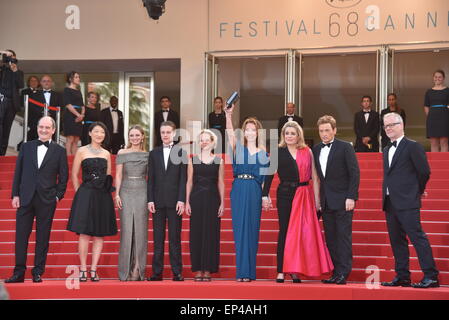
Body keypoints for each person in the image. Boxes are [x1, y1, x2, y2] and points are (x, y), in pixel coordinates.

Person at [262, 121, 333, 283]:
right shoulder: (277, 151)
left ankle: (294, 270)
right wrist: (264, 195)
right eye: (287, 133)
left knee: (300, 234)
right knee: (285, 231)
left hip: (304, 194)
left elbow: (315, 177)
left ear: (298, 135)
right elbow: (269, 174)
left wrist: (316, 201)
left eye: (293, 133)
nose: (289, 136)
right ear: (283, 135)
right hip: (285, 194)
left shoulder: (307, 151)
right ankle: (281, 270)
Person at [5, 116, 68, 283]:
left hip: (46, 200)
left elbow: (64, 177)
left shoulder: (59, 151)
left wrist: (57, 196)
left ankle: (38, 272)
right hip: (25, 197)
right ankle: (18, 273)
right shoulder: (26, 147)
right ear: (37, 128)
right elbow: (18, 172)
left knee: (43, 237)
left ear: (53, 130)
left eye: (48, 127)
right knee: (21, 237)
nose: (44, 130)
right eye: (41, 127)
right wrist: (15, 194)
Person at [380, 112, 439, 289]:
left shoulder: (413, 146)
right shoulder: (386, 149)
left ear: (401, 125)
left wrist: (417, 191)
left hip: (407, 200)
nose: (388, 128)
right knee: (397, 241)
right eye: (386, 126)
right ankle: (402, 276)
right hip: (390, 201)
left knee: (417, 237)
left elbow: (424, 172)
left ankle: (431, 276)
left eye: (392, 124)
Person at [67, 122, 117, 282]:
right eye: (96, 131)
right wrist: (79, 193)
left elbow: (108, 176)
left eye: (102, 132)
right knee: (84, 233)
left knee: (99, 234)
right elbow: (74, 174)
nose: (99, 134)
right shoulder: (81, 151)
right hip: (86, 194)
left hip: (102, 195)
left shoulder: (106, 153)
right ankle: (83, 268)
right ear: (90, 133)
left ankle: (94, 269)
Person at [313, 115, 360, 285]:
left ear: (334, 130)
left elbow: (354, 173)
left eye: (327, 130)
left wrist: (351, 197)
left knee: (343, 238)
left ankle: (344, 273)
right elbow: (318, 177)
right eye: (321, 131)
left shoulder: (345, 147)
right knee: (331, 239)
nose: (324, 134)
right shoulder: (316, 149)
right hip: (326, 201)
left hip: (343, 201)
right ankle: (335, 272)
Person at [226, 105, 269, 282]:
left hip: (255, 189)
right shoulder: (238, 148)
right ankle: (242, 272)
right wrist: (229, 115)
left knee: (252, 229)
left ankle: (250, 272)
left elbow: (265, 178)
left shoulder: (264, 153)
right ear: (243, 132)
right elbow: (229, 134)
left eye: (253, 129)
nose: (250, 132)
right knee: (239, 230)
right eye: (247, 129)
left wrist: (266, 196)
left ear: (258, 132)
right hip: (239, 188)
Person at [147, 120, 187, 281]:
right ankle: (157, 273)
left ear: (174, 133)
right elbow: (151, 179)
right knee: (157, 239)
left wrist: (181, 199)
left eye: (168, 132)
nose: (165, 135)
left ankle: (177, 272)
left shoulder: (181, 152)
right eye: (163, 132)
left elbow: (183, 178)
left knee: (174, 239)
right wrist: (150, 200)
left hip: (174, 202)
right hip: (157, 202)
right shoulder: (153, 153)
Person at [185, 129, 225, 281]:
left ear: (213, 141)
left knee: (211, 234)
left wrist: (222, 203)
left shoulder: (219, 161)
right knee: (196, 233)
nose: (204, 142)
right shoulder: (192, 160)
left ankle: (208, 269)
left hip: (213, 199)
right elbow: (189, 182)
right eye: (201, 140)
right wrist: (187, 201)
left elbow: (220, 182)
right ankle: (198, 270)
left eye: (207, 139)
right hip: (196, 199)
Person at [115, 125, 149, 281]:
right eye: (131, 135)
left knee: (141, 231)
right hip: (126, 191)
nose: (134, 138)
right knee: (127, 230)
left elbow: (151, 177)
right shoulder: (122, 153)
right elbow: (119, 175)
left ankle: (137, 268)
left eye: (137, 135)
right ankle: (125, 270)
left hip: (143, 190)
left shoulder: (147, 155)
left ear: (142, 136)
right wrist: (117, 194)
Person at [0, 49, 24, 155]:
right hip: (1, 100)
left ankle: (2, 153)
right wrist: (2, 52)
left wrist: (15, 71)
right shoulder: (2, 68)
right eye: (8, 56)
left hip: (11, 103)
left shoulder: (18, 72)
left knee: (7, 128)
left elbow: (21, 85)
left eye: (12, 57)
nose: (10, 59)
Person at [27, 75, 61, 141]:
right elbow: (32, 108)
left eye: (48, 81)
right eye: (44, 81)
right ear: (41, 83)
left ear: (51, 83)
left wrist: (50, 113)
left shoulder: (58, 95)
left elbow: (60, 107)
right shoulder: (34, 95)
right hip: (38, 122)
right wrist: (43, 113)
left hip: (53, 122)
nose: (46, 83)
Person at [424, 70, 449, 152]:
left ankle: (444, 164)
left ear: (443, 78)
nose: (437, 78)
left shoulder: (447, 90)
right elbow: (426, 106)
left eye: (440, 77)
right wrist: (431, 117)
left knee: (444, 142)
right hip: (432, 119)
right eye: (436, 77)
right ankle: (435, 165)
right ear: (433, 78)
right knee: (433, 142)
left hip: (445, 118)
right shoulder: (429, 92)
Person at [63, 71, 84, 156]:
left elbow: (82, 105)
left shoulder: (79, 91)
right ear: (70, 79)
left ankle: (74, 159)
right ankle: (68, 158)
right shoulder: (66, 90)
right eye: (76, 77)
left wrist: (82, 115)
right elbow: (68, 104)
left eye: (78, 77)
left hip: (79, 117)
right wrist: (78, 115)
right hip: (70, 116)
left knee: (76, 139)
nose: (78, 79)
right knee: (70, 138)